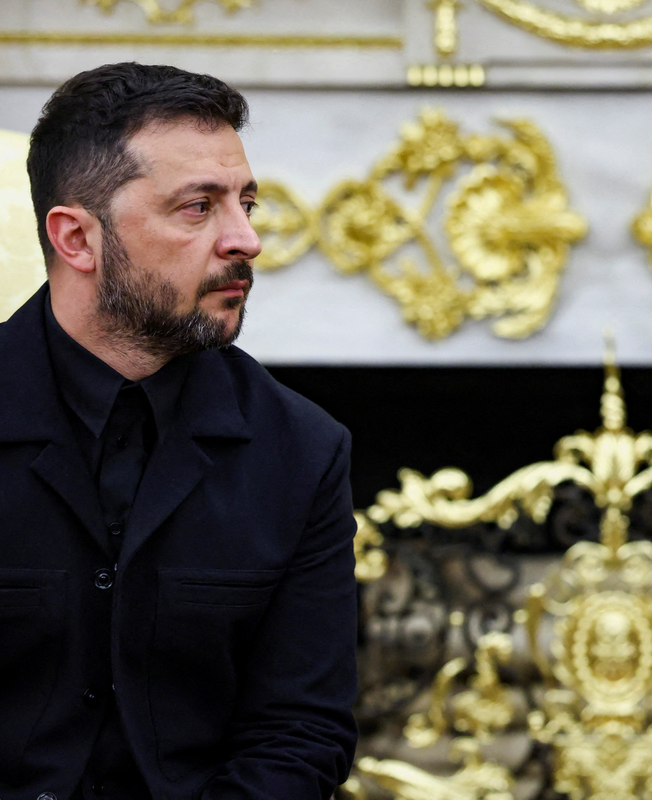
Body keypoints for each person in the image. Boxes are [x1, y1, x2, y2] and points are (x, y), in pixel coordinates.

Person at [1, 63, 358, 798]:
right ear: (77, 238)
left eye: (246, 203)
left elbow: (299, 733)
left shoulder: (304, 451)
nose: (246, 240)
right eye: (199, 207)